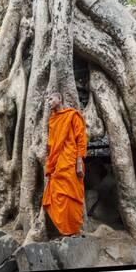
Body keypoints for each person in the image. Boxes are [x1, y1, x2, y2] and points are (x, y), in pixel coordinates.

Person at [42, 92, 87, 236]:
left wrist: (79, 162)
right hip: (57, 162)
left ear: (59, 99)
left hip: (70, 160)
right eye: (47, 99)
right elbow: (52, 143)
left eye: (51, 98)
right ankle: (62, 229)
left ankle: (73, 229)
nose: (49, 102)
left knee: (72, 194)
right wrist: (50, 162)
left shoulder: (72, 115)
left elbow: (81, 138)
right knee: (56, 193)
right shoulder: (52, 120)